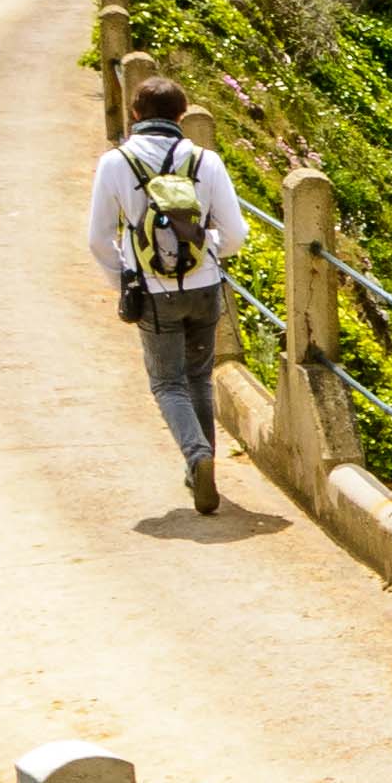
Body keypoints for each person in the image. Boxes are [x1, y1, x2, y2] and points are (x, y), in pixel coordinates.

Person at [87, 76, 250, 516]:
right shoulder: (206, 160)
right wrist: (208, 250)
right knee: (198, 376)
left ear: (135, 114)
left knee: (166, 381)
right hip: (205, 285)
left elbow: (99, 238)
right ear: (182, 115)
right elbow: (235, 233)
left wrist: (124, 280)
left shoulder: (116, 163)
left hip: (153, 293)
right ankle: (203, 464)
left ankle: (197, 457)